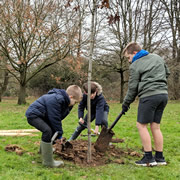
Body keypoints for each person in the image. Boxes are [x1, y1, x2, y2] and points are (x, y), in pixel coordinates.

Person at [122, 42, 170, 167]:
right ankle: (160, 158)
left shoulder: (136, 65)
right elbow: (167, 73)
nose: (129, 61)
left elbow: (132, 88)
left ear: (134, 53)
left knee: (141, 125)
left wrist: (126, 103)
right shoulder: (157, 58)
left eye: (128, 57)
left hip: (149, 96)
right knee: (156, 126)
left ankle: (148, 158)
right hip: (163, 95)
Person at [25, 85, 82, 168]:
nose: (75, 104)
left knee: (50, 130)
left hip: (42, 115)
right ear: (70, 96)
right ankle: (48, 162)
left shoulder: (64, 101)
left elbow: (59, 116)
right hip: (33, 115)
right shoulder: (56, 100)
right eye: (75, 102)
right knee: (47, 131)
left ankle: (44, 151)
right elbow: (55, 118)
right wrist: (59, 134)